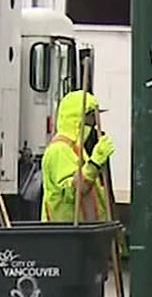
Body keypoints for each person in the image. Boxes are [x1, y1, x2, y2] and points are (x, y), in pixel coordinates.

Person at [39, 90, 114, 223]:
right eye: (92, 117)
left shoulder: (79, 150)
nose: (95, 123)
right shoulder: (60, 150)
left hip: (85, 234)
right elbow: (73, 191)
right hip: (66, 236)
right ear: (78, 119)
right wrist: (94, 164)